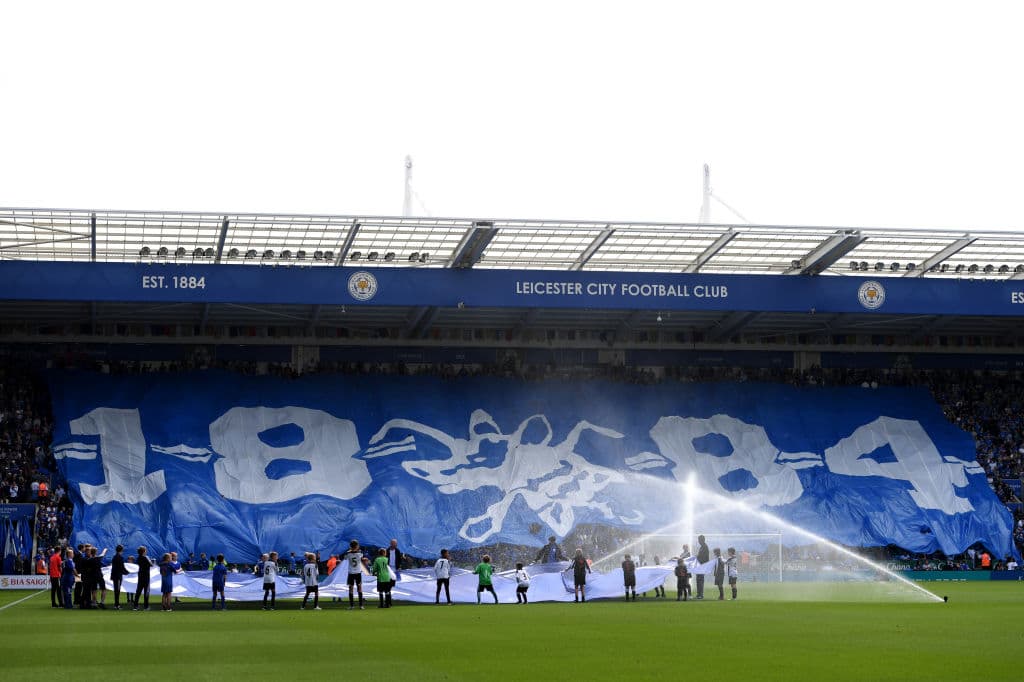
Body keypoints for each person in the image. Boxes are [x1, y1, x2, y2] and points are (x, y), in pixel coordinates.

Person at [342, 540, 367, 610]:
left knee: (351, 589)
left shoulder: (348, 553)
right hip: (358, 573)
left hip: (351, 573)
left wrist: (350, 550)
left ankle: (351, 606)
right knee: (359, 588)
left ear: (350, 546)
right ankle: (361, 605)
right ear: (357, 546)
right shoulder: (360, 553)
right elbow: (362, 557)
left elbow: (345, 558)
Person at [133, 546, 152, 611]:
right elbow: (151, 564)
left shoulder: (138, 558)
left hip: (140, 576)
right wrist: (149, 560)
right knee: (146, 591)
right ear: (144, 551)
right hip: (146, 577)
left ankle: (135, 606)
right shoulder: (146, 558)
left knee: (138, 591)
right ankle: (146, 607)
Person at [110, 545, 127, 610]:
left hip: (115, 575)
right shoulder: (120, 557)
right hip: (118, 576)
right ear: (121, 550)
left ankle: (117, 604)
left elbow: (114, 567)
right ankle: (116, 605)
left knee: (116, 590)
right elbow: (121, 567)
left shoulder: (114, 557)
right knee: (117, 590)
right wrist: (127, 572)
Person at [695, 535, 710, 599]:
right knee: (698, 580)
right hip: (699, 566)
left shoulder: (705, 547)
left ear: (702, 540)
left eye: (699, 540)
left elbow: (705, 558)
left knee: (700, 580)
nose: (698, 541)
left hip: (702, 566)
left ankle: (701, 594)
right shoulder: (702, 547)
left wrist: (699, 561)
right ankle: (698, 594)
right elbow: (700, 556)